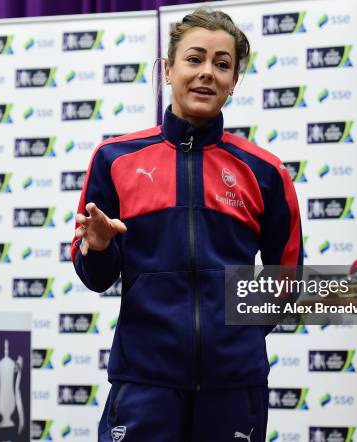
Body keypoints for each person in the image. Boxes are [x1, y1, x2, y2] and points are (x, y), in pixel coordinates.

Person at [70, 7, 303, 442]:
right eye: (194, 59)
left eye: (222, 64)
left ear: (234, 81)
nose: (206, 74)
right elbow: (95, 278)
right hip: (145, 384)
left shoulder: (265, 172)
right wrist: (98, 248)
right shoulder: (115, 160)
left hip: (234, 388)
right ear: (168, 68)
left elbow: (285, 280)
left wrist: (233, 339)